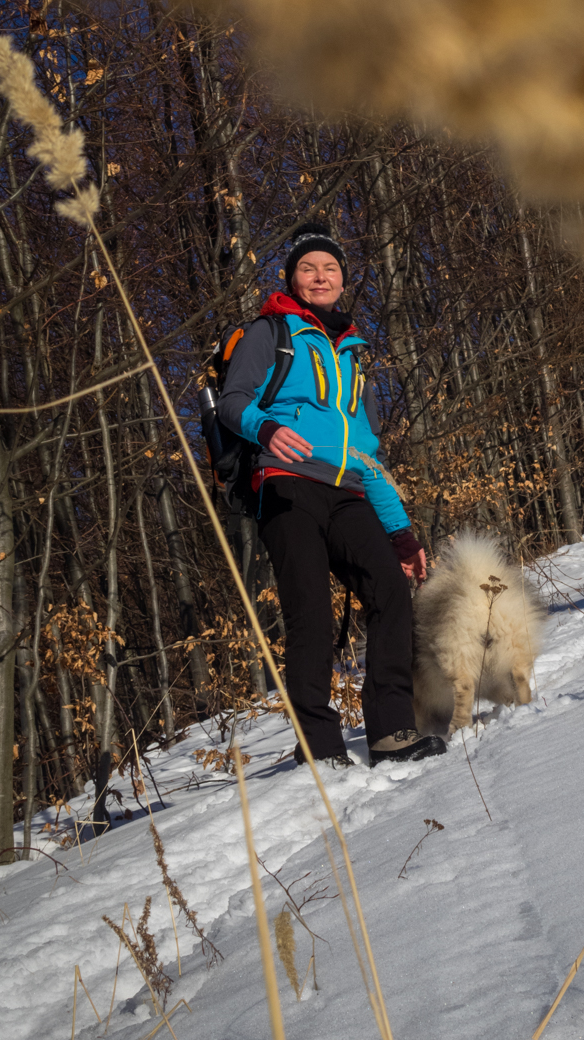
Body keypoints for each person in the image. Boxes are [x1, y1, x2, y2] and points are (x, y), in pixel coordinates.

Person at [218, 222, 446, 769]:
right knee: (311, 616)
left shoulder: (353, 354)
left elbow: (368, 454)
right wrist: (265, 429)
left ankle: (392, 730)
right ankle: (318, 749)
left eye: (330, 268)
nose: (320, 277)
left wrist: (401, 533)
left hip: (346, 489)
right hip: (285, 483)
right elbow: (232, 401)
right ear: (292, 278)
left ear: (343, 279)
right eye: (308, 268)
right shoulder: (269, 333)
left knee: (390, 591)